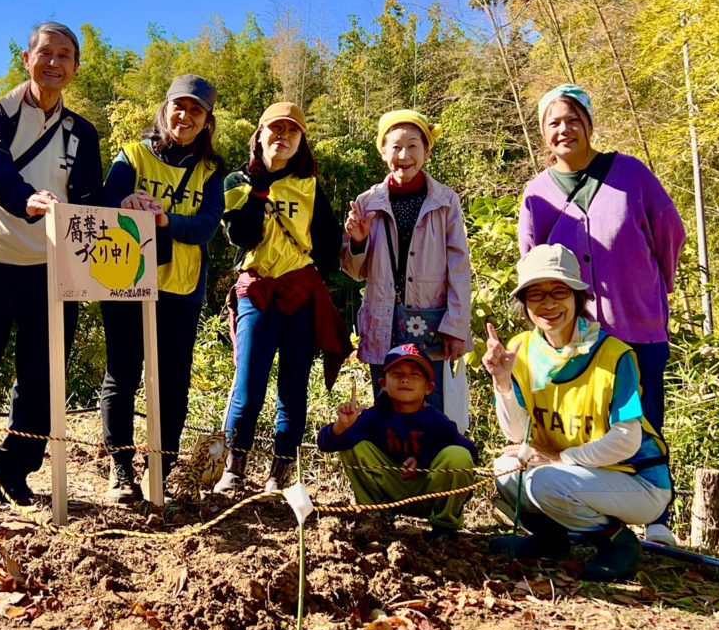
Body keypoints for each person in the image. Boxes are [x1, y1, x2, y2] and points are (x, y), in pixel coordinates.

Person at [519, 85, 684, 544]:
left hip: (638, 321)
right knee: (583, 419)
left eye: (572, 119)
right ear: (543, 133)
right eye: (553, 122)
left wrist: (653, 285)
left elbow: (670, 231)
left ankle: (657, 520)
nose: (563, 129)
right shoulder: (537, 192)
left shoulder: (630, 173)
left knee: (644, 417)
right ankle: (592, 514)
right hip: (577, 334)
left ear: (589, 124)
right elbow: (532, 262)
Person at [0, 22, 103, 505]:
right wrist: (28, 201)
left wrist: (129, 203)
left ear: (75, 68)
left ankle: (16, 467)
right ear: (26, 58)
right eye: (46, 53)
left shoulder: (83, 131)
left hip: (52, 269)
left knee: (42, 376)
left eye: (65, 56)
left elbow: (92, 197)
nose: (54, 63)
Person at [482, 244, 672, 581]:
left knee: (544, 481)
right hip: (575, 474)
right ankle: (549, 539)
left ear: (578, 298)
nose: (549, 304)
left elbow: (626, 440)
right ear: (525, 304)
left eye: (560, 292)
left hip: (637, 481)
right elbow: (517, 434)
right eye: (536, 295)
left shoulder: (613, 354)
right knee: (506, 468)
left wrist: (559, 458)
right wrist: (503, 382)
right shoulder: (522, 349)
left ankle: (618, 544)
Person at [98, 74, 226, 503]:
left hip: (181, 288)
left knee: (171, 382)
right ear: (164, 107)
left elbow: (207, 226)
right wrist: (125, 205)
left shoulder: (211, 170)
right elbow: (103, 206)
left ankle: (163, 470)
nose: (185, 116)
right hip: (126, 280)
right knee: (122, 374)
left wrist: (167, 220)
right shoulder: (131, 155)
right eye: (179, 106)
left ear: (207, 120)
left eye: (196, 110)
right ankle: (120, 468)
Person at [214, 102, 351, 495]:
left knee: (293, 388)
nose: (283, 136)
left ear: (300, 141)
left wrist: (309, 274)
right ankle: (235, 468)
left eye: (292, 131)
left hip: (299, 293)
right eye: (276, 129)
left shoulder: (309, 184)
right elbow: (240, 236)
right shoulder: (236, 181)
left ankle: (280, 474)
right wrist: (259, 189)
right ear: (259, 134)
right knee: (248, 384)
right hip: (256, 290)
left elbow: (327, 241)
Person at [342, 109, 471, 417]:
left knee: (431, 409)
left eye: (413, 145)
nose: (404, 154)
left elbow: (459, 267)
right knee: (386, 407)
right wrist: (358, 241)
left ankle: (431, 466)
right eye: (395, 146)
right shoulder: (367, 202)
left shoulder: (445, 201)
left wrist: (456, 326)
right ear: (383, 151)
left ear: (426, 151)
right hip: (382, 320)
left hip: (431, 322)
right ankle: (388, 464)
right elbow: (354, 271)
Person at [317, 343, 477, 539]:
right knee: (351, 445)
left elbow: (470, 455)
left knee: (458, 456)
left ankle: (444, 527)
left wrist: (423, 460)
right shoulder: (373, 416)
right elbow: (326, 444)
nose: (405, 379)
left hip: (428, 492)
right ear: (383, 383)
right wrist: (341, 426)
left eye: (414, 374)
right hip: (389, 491)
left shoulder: (436, 420)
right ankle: (373, 516)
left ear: (428, 388)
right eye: (397, 373)